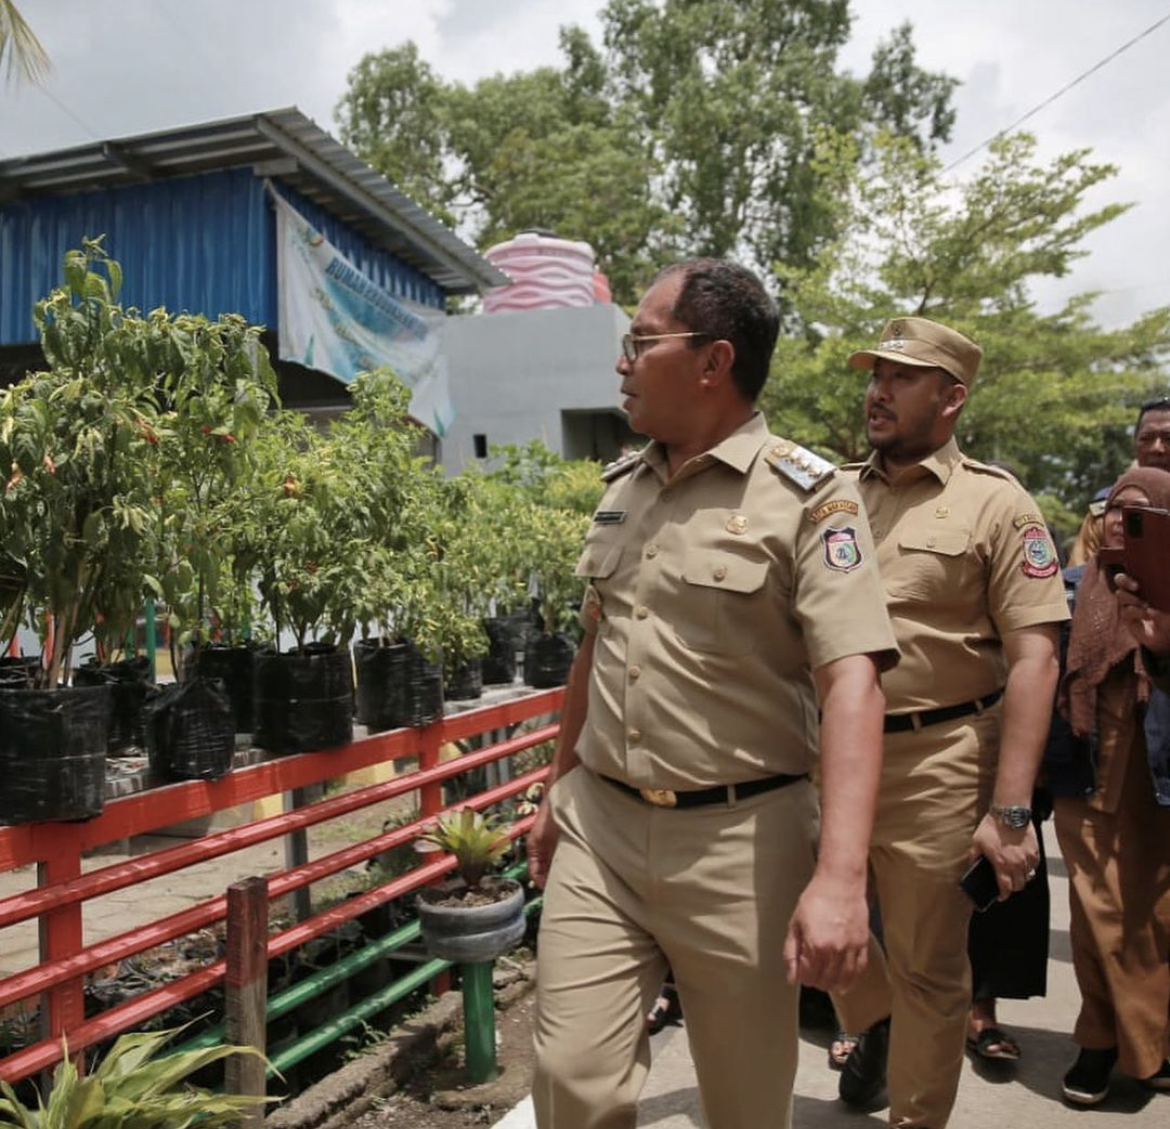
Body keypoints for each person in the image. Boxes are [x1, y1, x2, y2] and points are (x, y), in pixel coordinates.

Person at [526, 258, 899, 1129]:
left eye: (640, 342)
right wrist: (555, 787)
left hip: (744, 845)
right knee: (570, 1076)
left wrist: (841, 878)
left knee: (743, 1103)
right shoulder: (624, 487)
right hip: (601, 828)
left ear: (712, 362)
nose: (622, 362)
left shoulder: (811, 498)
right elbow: (594, 647)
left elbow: (853, 684)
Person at [830, 316, 1069, 1129]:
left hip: (938, 758)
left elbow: (1036, 659)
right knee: (799, 919)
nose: (878, 390)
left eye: (902, 377)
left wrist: (1009, 811)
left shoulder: (998, 504)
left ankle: (916, 1115)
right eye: (876, 374)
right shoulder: (830, 494)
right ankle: (878, 1011)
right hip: (824, 750)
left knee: (933, 968)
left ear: (952, 396)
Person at [1051, 467, 1170, 1106]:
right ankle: (1106, 1043)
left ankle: (1124, 1040)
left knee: (1152, 912)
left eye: (1143, 513)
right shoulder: (1073, 585)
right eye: (1116, 509)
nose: (1122, 522)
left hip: (1156, 778)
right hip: (1084, 767)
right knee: (1095, 906)